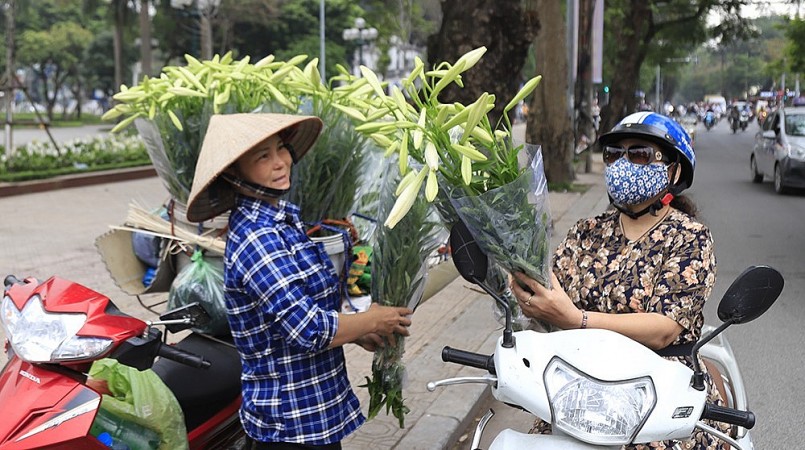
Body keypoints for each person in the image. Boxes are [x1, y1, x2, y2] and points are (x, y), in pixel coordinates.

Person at [186, 113, 413, 449]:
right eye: (263, 156)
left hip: (314, 411)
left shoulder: (283, 220)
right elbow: (308, 329)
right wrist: (373, 319)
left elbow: (305, 309)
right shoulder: (257, 238)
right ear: (234, 174)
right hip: (289, 422)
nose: (281, 163)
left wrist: (358, 332)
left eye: (281, 148)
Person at [510, 112, 730, 449]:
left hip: (658, 394)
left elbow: (664, 329)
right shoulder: (587, 231)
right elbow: (549, 294)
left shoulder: (690, 238)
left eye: (639, 154)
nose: (622, 163)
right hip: (578, 388)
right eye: (614, 154)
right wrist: (522, 290)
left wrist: (576, 320)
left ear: (674, 169)